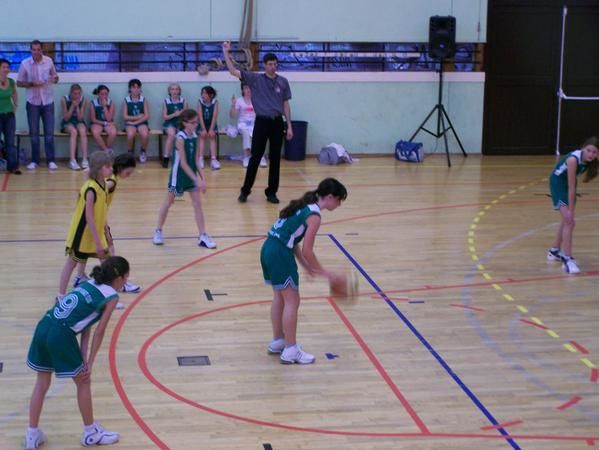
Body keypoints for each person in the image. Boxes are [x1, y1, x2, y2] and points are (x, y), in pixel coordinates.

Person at [24, 256, 129, 449]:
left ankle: (32, 434)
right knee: (84, 381)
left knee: (42, 381)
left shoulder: (89, 283)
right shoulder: (112, 297)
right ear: (120, 279)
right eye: (126, 279)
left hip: (45, 325)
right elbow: (100, 331)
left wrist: (83, 356)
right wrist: (89, 362)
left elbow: (87, 325)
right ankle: (90, 433)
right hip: (61, 334)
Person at [261, 178, 347, 364]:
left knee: (279, 298)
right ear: (330, 197)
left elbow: (293, 242)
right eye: (339, 200)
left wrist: (307, 267)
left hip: (269, 248)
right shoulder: (315, 217)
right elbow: (308, 250)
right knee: (293, 301)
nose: (339, 205)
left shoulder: (306, 204)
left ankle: (279, 341)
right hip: (280, 255)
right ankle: (291, 350)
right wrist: (325, 273)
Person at [223, 41, 293, 204]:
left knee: (275, 159)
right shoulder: (255, 79)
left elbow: (286, 104)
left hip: (277, 123)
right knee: (255, 157)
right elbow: (233, 71)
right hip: (261, 122)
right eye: (270, 64)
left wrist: (288, 125)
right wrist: (226, 52)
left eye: (275, 64)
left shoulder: (283, 82)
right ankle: (245, 191)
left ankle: (271, 192)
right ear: (265, 65)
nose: (273, 67)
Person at [73, 153, 140, 297]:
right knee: (108, 250)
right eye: (128, 172)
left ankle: (79, 276)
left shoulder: (110, 178)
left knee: (84, 249)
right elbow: (97, 189)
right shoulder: (111, 181)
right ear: (120, 168)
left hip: (101, 217)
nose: (128, 175)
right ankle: (117, 279)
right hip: (98, 218)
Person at [152, 109, 216, 249]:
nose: (195, 125)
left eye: (196, 122)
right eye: (193, 122)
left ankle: (203, 235)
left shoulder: (194, 136)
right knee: (168, 202)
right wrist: (196, 179)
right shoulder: (180, 138)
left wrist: (203, 178)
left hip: (191, 175)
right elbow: (183, 163)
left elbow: (195, 160)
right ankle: (158, 230)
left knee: (197, 204)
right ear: (185, 123)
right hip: (178, 177)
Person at [58, 151, 113, 298]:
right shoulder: (90, 189)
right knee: (71, 264)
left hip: (96, 233)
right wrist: (97, 242)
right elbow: (88, 217)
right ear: (100, 169)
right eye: (108, 167)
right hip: (82, 235)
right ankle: (60, 296)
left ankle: (108, 296)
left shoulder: (104, 185)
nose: (111, 169)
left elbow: (102, 209)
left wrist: (105, 230)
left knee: (106, 264)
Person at [547, 137, 598, 274]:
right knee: (569, 221)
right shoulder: (572, 160)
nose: (591, 154)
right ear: (583, 148)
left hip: (570, 185)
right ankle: (567, 259)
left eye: (594, 152)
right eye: (589, 150)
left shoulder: (591, 161)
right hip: (558, 185)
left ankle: (554, 251)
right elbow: (570, 187)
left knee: (567, 221)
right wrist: (570, 210)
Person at [16, 40, 59, 171]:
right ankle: (35, 161)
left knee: (49, 134)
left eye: (38, 49)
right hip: (32, 103)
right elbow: (19, 83)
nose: (36, 52)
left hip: (48, 102)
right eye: (33, 49)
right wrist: (31, 84)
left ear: (42, 50)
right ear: (30, 50)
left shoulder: (49, 61)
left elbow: (56, 78)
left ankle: (51, 160)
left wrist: (54, 79)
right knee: (34, 134)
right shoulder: (24, 64)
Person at [230, 82, 266, 169]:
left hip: (254, 123)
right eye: (246, 88)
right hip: (242, 124)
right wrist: (233, 105)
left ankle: (260, 156)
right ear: (243, 90)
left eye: (249, 88)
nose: (248, 90)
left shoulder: (257, 100)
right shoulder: (239, 101)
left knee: (259, 132)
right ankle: (246, 157)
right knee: (246, 133)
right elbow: (232, 115)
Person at [61, 83, 89, 170]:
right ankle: (72, 160)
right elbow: (66, 117)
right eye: (75, 94)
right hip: (67, 122)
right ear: (71, 93)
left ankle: (84, 159)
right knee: (73, 132)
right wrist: (73, 106)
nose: (77, 96)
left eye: (79, 93)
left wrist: (77, 107)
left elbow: (80, 118)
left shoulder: (83, 100)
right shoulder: (64, 99)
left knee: (82, 130)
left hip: (78, 121)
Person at [0, 58, 20, 174]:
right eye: (4, 67)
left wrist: (15, 106)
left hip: (9, 116)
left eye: (7, 67)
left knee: (10, 142)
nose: (6, 69)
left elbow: (14, 94)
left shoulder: (11, 82)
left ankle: (12, 167)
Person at [123, 78, 150, 163]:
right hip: (130, 124)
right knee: (130, 134)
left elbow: (147, 116)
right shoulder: (126, 100)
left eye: (138, 87)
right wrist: (138, 117)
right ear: (130, 89)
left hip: (141, 123)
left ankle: (143, 152)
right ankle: (130, 152)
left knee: (145, 134)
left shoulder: (143, 99)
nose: (136, 89)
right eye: (134, 87)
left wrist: (135, 121)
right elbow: (125, 116)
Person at [161, 83, 188, 168]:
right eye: (172, 89)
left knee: (182, 135)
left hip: (180, 123)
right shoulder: (166, 101)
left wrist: (181, 114)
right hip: (169, 123)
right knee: (172, 134)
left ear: (179, 91)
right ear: (169, 91)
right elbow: (165, 116)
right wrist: (174, 114)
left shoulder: (183, 101)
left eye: (176, 89)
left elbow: (187, 116)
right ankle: (166, 157)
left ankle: (182, 158)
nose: (175, 91)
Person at [197, 85, 220, 170]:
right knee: (202, 136)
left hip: (212, 124)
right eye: (202, 93)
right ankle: (200, 159)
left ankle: (213, 159)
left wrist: (211, 129)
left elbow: (214, 116)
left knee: (212, 136)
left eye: (205, 93)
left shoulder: (215, 102)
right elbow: (200, 116)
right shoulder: (200, 102)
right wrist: (203, 129)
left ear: (211, 95)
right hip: (203, 124)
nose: (203, 95)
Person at [89, 84, 117, 155]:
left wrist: (104, 106)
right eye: (102, 94)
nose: (104, 96)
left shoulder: (111, 102)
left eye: (106, 94)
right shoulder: (93, 103)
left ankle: (105, 151)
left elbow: (109, 118)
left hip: (108, 122)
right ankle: (106, 150)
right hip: (97, 123)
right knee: (95, 132)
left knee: (113, 132)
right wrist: (105, 123)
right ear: (98, 94)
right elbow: (93, 119)